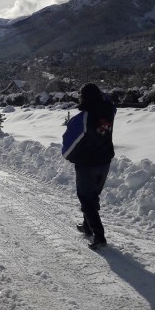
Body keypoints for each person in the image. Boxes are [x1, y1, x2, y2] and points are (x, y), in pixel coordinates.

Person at [62, 83, 116, 250]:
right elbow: (108, 100)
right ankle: (87, 227)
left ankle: (99, 236)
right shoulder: (110, 112)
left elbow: (69, 146)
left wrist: (70, 157)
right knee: (93, 195)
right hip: (105, 161)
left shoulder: (82, 118)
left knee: (86, 199)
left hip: (87, 164)